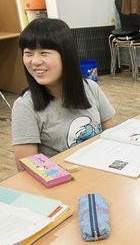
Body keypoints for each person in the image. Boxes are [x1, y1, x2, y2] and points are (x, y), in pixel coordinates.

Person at [12, 18, 116, 170]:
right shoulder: (25, 106)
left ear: (66, 55)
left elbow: (111, 132)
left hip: (101, 169)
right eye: (28, 53)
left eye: (44, 53)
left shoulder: (90, 88)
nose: (35, 61)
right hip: (61, 182)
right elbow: (26, 169)